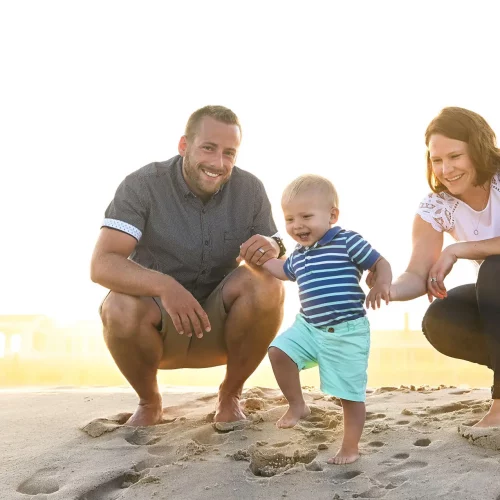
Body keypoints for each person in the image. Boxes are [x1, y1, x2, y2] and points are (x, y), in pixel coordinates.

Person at [90, 105, 285, 426]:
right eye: (208, 148)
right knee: (118, 306)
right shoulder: (142, 185)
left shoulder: (250, 190)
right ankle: (149, 402)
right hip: (157, 330)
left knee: (267, 284)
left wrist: (273, 246)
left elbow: (279, 255)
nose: (218, 163)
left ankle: (230, 395)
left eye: (229, 153)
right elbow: (102, 264)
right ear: (184, 146)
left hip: (220, 327)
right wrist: (165, 287)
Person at [377, 106, 500, 428]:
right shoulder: (437, 206)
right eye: (437, 160)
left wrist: (460, 249)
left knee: (493, 270)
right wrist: (388, 289)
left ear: (479, 149)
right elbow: (418, 272)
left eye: (455, 156)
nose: (446, 169)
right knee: (444, 317)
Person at [259, 174, 392, 465]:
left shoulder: (346, 241)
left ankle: (350, 446)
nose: (298, 226)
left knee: (350, 395)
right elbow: (283, 270)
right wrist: (261, 260)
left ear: (332, 215)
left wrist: (381, 284)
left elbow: (379, 262)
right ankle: (297, 406)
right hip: (308, 327)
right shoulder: (299, 253)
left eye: (306, 216)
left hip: (346, 331)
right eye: (290, 219)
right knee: (278, 351)